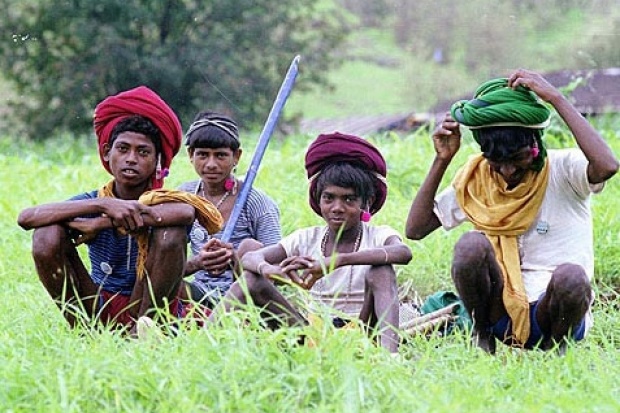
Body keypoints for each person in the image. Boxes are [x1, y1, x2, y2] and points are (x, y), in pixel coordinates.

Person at [405, 69, 618, 354]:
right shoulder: (478, 178)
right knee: (470, 246)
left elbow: (607, 166)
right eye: (496, 161)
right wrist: (442, 159)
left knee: (572, 277)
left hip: (553, 314)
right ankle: (482, 335)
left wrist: (554, 97)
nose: (508, 171)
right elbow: (416, 229)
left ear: (536, 143)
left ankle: (558, 351)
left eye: (518, 159)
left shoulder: (565, 169)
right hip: (498, 314)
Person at [17, 86, 223, 333]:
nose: (131, 158)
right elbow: (27, 217)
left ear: (158, 160)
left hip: (149, 301)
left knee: (172, 233)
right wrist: (104, 205)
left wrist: (104, 221)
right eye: (123, 149)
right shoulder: (95, 200)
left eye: (143, 152)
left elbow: (185, 213)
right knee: (46, 234)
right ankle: (84, 329)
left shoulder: (164, 200)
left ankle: (146, 330)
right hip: (100, 301)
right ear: (107, 152)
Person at [210, 132, 413, 353]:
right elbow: (250, 257)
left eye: (349, 199)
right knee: (251, 278)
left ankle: (389, 358)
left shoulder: (378, 235)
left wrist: (338, 260)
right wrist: (270, 269)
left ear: (367, 202)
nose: (337, 207)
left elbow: (402, 252)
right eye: (329, 198)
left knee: (381, 271)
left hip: (365, 330)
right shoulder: (307, 238)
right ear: (318, 199)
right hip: (312, 333)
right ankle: (203, 343)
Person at [178, 111, 282, 307]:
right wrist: (198, 262)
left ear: (237, 156)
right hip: (201, 294)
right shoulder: (184, 197)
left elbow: (275, 270)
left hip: (248, 298)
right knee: (165, 283)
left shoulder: (257, 202)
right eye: (202, 155)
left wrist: (235, 260)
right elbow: (166, 261)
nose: (211, 164)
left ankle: (236, 320)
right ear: (191, 155)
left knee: (249, 247)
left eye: (220, 156)